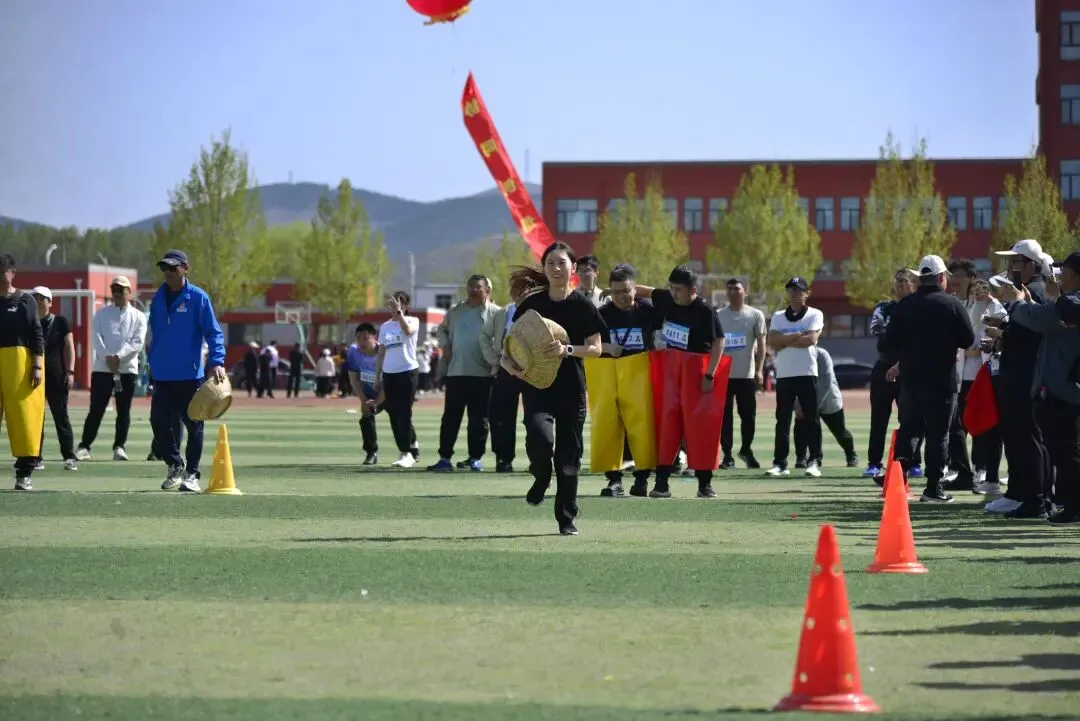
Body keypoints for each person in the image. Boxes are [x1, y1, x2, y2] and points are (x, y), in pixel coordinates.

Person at [504, 242, 607, 535]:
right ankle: (540, 474)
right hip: (537, 385)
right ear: (544, 268)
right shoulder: (532, 305)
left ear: (573, 269)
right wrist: (509, 364)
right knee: (539, 436)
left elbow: (596, 349)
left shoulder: (582, 306)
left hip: (572, 389)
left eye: (562, 263)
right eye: (551, 263)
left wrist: (567, 349)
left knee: (568, 458)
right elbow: (511, 344)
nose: (557, 268)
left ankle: (566, 518)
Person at [626, 266, 726, 498]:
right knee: (666, 426)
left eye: (678, 289)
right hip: (670, 370)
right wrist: (618, 291)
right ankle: (661, 484)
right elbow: (643, 290)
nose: (673, 293)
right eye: (670, 287)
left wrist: (710, 375)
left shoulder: (705, 311)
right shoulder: (666, 298)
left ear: (692, 290)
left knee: (700, 428)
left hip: (696, 372)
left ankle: (704, 483)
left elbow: (719, 342)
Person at [884, 255, 975, 503]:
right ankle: (933, 489)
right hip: (942, 379)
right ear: (941, 277)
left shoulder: (905, 305)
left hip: (912, 379)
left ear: (920, 278)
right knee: (939, 434)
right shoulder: (951, 304)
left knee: (909, 430)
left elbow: (887, 341)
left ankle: (896, 482)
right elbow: (967, 339)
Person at [147, 249, 227, 492]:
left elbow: (213, 332)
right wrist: (152, 363)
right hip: (162, 375)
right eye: (164, 268)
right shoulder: (157, 299)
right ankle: (175, 464)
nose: (167, 273)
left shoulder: (198, 298)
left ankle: (192, 474)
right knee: (158, 422)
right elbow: (156, 336)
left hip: (189, 375)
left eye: (172, 268)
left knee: (194, 426)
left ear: (185, 268)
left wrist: (217, 360)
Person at [985, 239, 1054, 517]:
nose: (1011, 268)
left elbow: (1031, 333)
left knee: (1029, 439)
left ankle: (1035, 499)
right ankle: (1023, 494)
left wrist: (1003, 334)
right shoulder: (1025, 292)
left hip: (1026, 377)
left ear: (1031, 265)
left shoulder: (1035, 292)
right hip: (1017, 375)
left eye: (1016, 262)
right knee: (1018, 438)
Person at [590, 263, 658, 498]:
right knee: (609, 426)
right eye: (616, 291)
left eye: (626, 290)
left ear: (635, 290)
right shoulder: (602, 314)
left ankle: (642, 479)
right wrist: (607, 347)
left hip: (641, 376)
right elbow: (588, 341)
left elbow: (668, 297)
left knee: (643, 427)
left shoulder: (648, 310)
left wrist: (640, 289)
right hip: (609, 374)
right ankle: (614, 480)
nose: (621, 296)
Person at [429, 275, 499, 472]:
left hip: (483, 375)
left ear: (487, 290)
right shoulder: (455, 311)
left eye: (478, 287)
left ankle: (475, 458)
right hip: (456, 372)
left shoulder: (495, 313)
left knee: (479, 419)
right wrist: (446, 347)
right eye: (470, 287)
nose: (473, 290)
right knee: (451, 417)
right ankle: (444, 458)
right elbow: (441, 330)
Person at [75, 275, 147, 463]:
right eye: (114, 289)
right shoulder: (101, 313)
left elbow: (137, 343)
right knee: (96, 409)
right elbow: (96, 338)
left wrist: (119, 357)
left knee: (123, 411)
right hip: (102, 369)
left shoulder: (139, 316)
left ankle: (119, 447)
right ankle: (84, 446)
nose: (117, 292)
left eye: (121, 289)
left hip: (127, 370)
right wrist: (108, 357)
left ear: (129, 292)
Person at [866, 270, 924, 480]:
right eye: (897, 280)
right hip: (883, 365)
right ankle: (874, 463)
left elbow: (917, 336)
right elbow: (877, 330)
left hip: (909, 367)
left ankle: (914, 462)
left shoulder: (919, 307)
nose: (900, 284)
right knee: (879, 417)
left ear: (914, 284)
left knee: (910, 418)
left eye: (905, 280)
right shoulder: (884, 307)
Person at [766, 276, 826, 478]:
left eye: (799, 290)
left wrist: (785, 340)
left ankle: (814, 460)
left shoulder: (815, 314)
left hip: (807, 373)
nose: (794, 293)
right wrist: (796, 336)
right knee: (782, 420)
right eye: (791, 290)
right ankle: (780, 463)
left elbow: (811, 339)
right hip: (785, 375)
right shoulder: (778, 316)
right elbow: (772, 340)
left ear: (807, 293)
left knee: (811, 419)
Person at [0, 254, 46, 490]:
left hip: (20, 363)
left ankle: (24, 473)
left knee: (24, 418)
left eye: (3, 271)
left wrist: (37, 365)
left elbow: (36, 333)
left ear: (12, 272)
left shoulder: (25, 301)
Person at [963, 278, 1007, 494]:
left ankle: (990, 475)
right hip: (974, 375)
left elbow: (996, 338)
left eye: (984, 290)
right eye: (976, 290)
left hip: (992, 373)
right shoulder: (971, 309)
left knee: (993, 426)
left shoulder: (999, 308)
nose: (979, 294)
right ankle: (978, 469)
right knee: (976, 421)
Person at [716, 277, 766, 469]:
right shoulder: (719, 315)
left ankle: (746, 449)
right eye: (729, 289)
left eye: (736, 288)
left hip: (746, 375)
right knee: (724, 418)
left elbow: (761, 344)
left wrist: (760, 370)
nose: (733, 292)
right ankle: (727, 456)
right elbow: (713, 343)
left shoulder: (755, 315)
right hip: (724, 375)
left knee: (748, 417)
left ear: (745, 291)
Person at [31, 286, 78, 472]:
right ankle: (36, 457)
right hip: (35, 377)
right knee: (36, 418)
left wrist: (71, 371)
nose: (37, 301)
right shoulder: (29, 322)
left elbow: (70, 347)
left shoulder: (60, 322)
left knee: (61, 417)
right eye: (34, 297)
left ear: (50, 302)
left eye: (41, 298)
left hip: (58, 376)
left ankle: (69, 457)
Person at [942, 258, 978, 491]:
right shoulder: (947, 304)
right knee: (955, 426)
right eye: (951, 275)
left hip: (976, 375)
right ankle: (961, 471)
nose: (954, 280)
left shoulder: (982, 303)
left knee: (980, 426)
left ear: (971, 279)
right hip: (955, 374)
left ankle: (983, 472)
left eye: (959, 275)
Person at [480, 286, 525, 473]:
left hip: (533, 370)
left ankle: (539, 458)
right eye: (516, 289)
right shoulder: (503, 313)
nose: (520, 293)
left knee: (535, 416)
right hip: (506, 369)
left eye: (524, 289)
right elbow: (484, 335)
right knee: (503, 417)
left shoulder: (540, 311)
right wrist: (494, 359)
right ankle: (504, 459)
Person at [375, 291, 421, 468]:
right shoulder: (385, 326)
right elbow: (381, 353)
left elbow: (408, 332)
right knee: (393, 412)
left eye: (399, 303)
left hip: (408, 371)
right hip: (389, 373)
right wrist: (378, 375)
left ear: (406, 306)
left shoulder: (412, 321)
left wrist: (400, 315)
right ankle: (409, 447)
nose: (394, 307)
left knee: (404, 412)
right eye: (392, 304)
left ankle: (407, 452)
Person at [793, 346, 858, 468]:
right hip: (805, 401)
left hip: (828, 399)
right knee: (801, 428)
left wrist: (813, 406)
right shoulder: (795, 357)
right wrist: (797, 406)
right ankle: (802, 458)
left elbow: (826, 383)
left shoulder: (822, 355)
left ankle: (851, 454)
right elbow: (793, 383)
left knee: (840, 432)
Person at [347, 323, 384, 465]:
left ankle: (411, 447)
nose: (361, 342)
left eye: (365, 338)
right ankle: (371, 453)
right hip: (369, 394)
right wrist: (364, 401)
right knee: (366, 418)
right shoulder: (353, 352)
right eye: (358, 338)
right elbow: (354, 379)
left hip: (389, 392)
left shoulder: (385, 352)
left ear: (374, 337)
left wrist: (377, 402)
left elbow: (389, 384)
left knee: (400, 417)